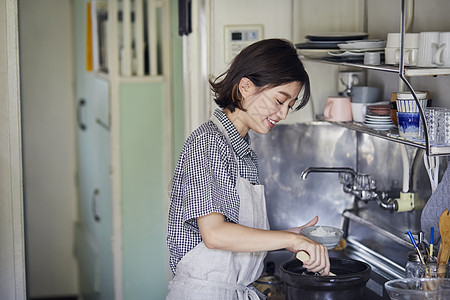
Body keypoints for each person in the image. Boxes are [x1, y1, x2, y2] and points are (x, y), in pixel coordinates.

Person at [166, 38, 330, 299]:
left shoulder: (242, 147)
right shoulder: (209, 142)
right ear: (246, 87)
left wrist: (288, 235)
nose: (284, 113)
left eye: (290, 105)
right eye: (279, 100)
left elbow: (234, 228)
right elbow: (215, 234)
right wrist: (291, 241)